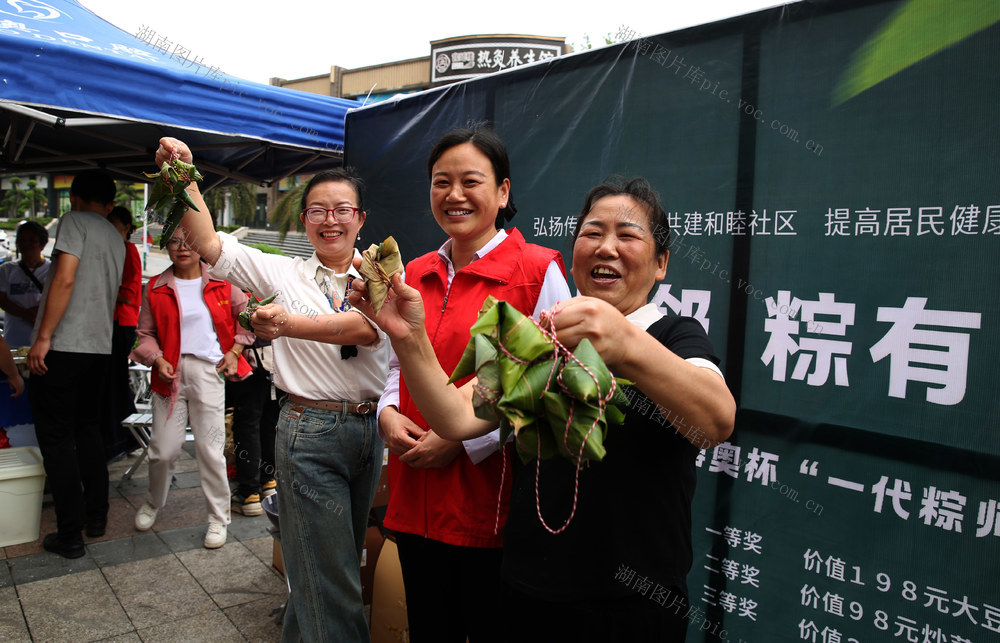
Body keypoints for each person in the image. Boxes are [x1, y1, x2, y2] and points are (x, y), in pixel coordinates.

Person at [350, 176, 736, 642]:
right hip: (527, 591)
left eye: (627, 235)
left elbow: (717, 420)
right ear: (574, 256)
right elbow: (453, 416)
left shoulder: (674, 336)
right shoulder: (539, 339)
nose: (606, 247)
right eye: (592, 233)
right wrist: (409, 335)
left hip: (632, 603)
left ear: (661, 264)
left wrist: (626, 342)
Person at [152, 136, 389, 642]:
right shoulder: (282, 272)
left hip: (368, 430)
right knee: (332, 581)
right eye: (318, 210)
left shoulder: (381, 274)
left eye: (342, 210)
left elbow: (367, 330)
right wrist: (185, 176)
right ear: (304, 220)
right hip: (309, 430)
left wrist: (287, 324)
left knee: (328, 567)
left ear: (361, 219)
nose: (330, 220)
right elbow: (209, 242)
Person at [374, 126, 570, 643]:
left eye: (470, 181)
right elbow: (396, 365)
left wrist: (464, 439)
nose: (454, 194)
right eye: (441, 182)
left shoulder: (537, 271)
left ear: (503, 192)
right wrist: (387, 413)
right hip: (414, 492)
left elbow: (552, 387)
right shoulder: (415, 272)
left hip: (488, 506)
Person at [129, 229, 252, 548]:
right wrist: (156, 359)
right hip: (168, 374)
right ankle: (153, 501)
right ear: (166, 246)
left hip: (208, 372)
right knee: (163, 450)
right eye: (174, 241)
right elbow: (144, 334)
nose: (182, 248)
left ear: (200, 246)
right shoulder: (156, 286)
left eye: (189, 242)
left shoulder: (223, 281)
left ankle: (218, 517)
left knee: (211, 450)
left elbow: (247, 316)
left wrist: (235, 351)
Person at [27, 170, 125, 559]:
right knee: (88, 432)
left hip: (65, 345)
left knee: (56, 440)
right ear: (110, 203)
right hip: (98, 349)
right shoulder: (116, 235)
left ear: (75, 198)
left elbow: (64, 279)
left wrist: (44, 337)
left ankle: (69, 534)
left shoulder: (74, 221)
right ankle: (96, 516)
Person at [226, 330, 279, 516]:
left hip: (249, 358)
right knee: (269, 422)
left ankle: (249, 492)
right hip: (274, 354)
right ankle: (268, 481)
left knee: (247, 425)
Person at [105, 206, 143, 459]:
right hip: (112, 321)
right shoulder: (113, 250)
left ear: (127, 228)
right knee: (112, 380)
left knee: (116, 379)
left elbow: (128, 293)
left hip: (122, 322)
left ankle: (127, 438)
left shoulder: (128, 250)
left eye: (114, 226)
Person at [0, 221, 51, 347]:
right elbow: (2, 300)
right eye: (22, 240)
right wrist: (26, 314)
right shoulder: (6, 270)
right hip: (13, 341)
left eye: (32, 240)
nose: (26, 244)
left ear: (42, 245)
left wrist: (38, 313)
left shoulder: (53, 270)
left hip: (44, 344)